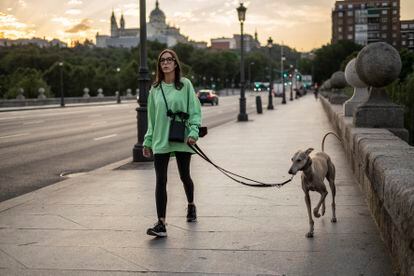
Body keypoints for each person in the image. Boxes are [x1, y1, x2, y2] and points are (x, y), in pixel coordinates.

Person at [143, 49, 202, 238]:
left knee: (185, 176)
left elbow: (194, 111)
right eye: (162, 61)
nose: (166, 63)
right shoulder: (155, 88)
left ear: (176, 64)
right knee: (161, 181)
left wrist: (193, 132)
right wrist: (148, 141)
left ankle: (191, 205)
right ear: (159, 65)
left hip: (181, 137)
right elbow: (151, 119)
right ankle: (161, 223)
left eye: (169, 60)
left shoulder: (185, 85)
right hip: (161, 139)